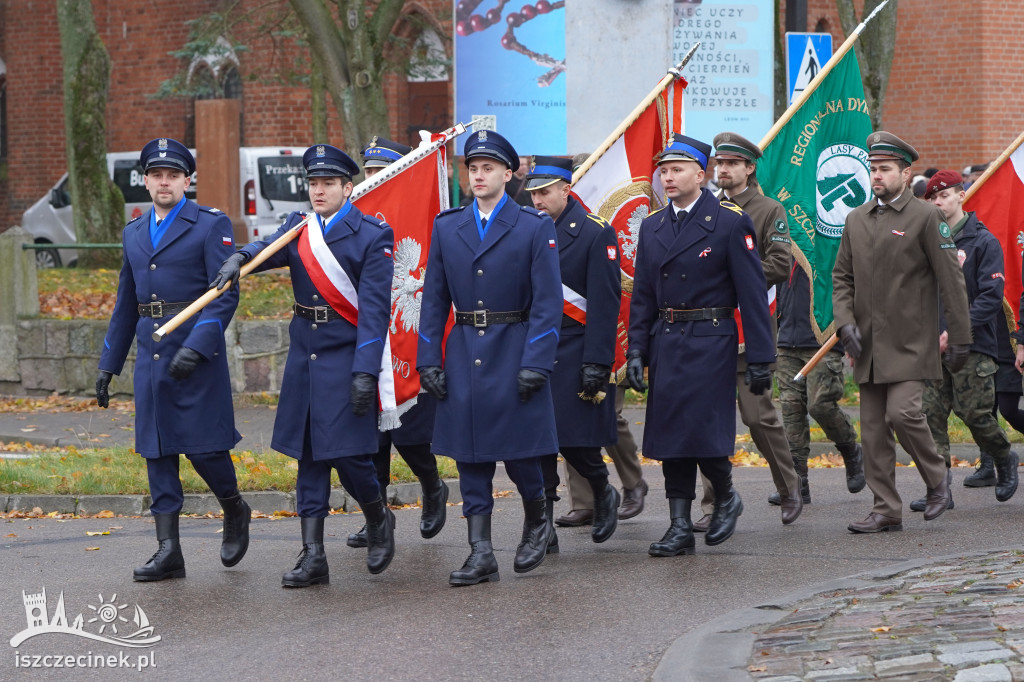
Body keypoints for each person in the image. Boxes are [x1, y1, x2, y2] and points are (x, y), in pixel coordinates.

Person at [212, 143, 396, 586]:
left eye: (327, 183)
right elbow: (266, 250)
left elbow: (374, 311)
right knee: (309, 457)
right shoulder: (300, 228)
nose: (318, 190)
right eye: (313, 183)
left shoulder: (372, 235)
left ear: (348, 188)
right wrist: (240, 255)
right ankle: (313, 555)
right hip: (305, 356)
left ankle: (377, 516)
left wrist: (365, 371)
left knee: (350, 456)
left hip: (345, 354)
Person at [96, 137, 250, 582]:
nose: (165, 182)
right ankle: (169, 550)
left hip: (195, 355)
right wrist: (109, 364)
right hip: (151, 357)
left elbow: (223, 295)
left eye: (173, 175)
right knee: (157, 451)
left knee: (205, 449)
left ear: (187, 180)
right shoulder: (133, 232)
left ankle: (234, 507)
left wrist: (197, 346)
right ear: (145, 181)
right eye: (156, 175)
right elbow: (127, 302)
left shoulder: (209, 225)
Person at [417, 130, 561, 585]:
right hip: (463, 351)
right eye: (472, 169)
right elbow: (434, 298)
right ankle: (481, 551)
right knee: (470, 456)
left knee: (521, 454)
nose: (478, 176)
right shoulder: (447, 226)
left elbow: (547, 303)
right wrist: (428, 360)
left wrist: (537, 360)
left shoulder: (534, 226)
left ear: (508, 172)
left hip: (514, 345)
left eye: (488, 168)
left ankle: (538, 521)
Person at [626, 133, 775, 556]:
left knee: (701, 431)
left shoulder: (728, 221)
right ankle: (678, 524)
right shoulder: (653, 226)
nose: (668, 178)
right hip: (667, 339)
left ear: (701, 173)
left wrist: (762, 358)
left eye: (676, 170)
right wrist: (636, 349)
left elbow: (752, 294)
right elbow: (643, 297)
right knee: (671, 433)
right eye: (663, 171)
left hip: (711, 338)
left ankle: (725, 493)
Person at [833, 132, 972, 533]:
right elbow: (841, 278)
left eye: (884, 169)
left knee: (903, 412)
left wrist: (960, 337)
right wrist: (845, 323)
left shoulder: (926, 217)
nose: (876, 176)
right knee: (874, 431)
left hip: (911, 341)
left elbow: (952, 282)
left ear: (905, 173)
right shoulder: (856, 219)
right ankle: (885, 508)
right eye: (873, 169)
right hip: (869, 344)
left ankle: (936, 478)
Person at [693, 132, 803, 531]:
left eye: (731, 164)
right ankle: (714, 504)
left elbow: (780, 262)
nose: (722, 170)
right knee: (709, 420)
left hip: (748, 329)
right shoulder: (703, 207)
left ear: (748, 168)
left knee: (758, 418)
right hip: (708, 330)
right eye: (718, 163)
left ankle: (790, 487)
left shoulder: (767, 209)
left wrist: (734, 273)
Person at [344, 136, 449, 550]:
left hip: (405, 338)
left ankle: (432, 486)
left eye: (380, 172)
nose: (373, 179)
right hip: (366, 334)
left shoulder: (405, 208)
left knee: (409, 436)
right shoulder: (350, 216)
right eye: (368, 172)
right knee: (371, 438)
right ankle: (378, 515)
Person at [523, 155, 622, 548]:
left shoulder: (596, 233)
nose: (537, 201)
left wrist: (598, 362)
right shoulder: (527, 230)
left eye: (545, 192)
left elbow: (605, 303)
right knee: (536, 441)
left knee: (575, 442)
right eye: (533, 194)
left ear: (567, 189)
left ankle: (603, 491)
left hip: (576, 346)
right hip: (536, 348)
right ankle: (542, 524)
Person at [916, 170, 1019, 508]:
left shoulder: (982, 240)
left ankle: (1004, 457)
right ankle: (939, 490)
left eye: (944, 195)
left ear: (962, 195)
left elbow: (990, 296)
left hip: (973, 346)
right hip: (933, 346)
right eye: (932, 197)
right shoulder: (927, 241)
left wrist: (957, 330)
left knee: (975, 414)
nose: (937, 202)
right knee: (931, 416)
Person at [559, 151, 649, 526]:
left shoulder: (597, 222)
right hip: (569, 332)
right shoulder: (558, 213)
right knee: (571, 421)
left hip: (610, 325)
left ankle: (632, 482)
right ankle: (585, 501)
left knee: (608, 417)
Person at [774, 260, 866, 503]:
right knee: (791, 411)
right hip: (787, 340)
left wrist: (849, 329)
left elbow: (847, 287)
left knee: (819, 404)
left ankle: (850, 450)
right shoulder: (788, 240)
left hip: (822, 339)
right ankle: (797, 483)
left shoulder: (828, 240)